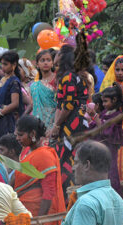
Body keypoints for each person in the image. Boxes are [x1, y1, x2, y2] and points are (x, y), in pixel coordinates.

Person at [49, 44, 90, 188]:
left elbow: (68, 105)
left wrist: (56, 125)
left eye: (58, 53)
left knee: (67, 157)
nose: (55, 55)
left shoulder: (68, 77)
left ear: (62, 57)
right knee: (71, 156)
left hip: (72, 122)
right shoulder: (74, 75)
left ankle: (71, 193)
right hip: (76, 120)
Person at [14, 116, 66, 218]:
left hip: (40, 216)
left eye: (20, 135)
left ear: (32, 134)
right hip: (24, 212)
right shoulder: (26, 151)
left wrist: (38, 222)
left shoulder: (45, 156)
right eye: (16, 135)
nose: (17, 138)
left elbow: (49, 192)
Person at [100, 56, 123, 185]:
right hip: (115, 122)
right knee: (115, 154)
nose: (120, 72)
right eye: (117, 69)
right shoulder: (109, 84)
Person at [89, 85, 123, 194]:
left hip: (110, 147)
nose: (104, 104)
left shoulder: (118, 114)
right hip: (101, 146)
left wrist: (95, 117)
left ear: (114, 100)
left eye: (105, 101)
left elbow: (105, 128)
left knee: (111, 170)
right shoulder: (106, 112)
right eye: (102, 101)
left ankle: (114, 193)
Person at [0, 51, 23, 145]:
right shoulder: (2, 79)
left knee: (2, 147)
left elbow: (14, 104)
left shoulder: (14, 82)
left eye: (5, 64)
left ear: (14, 64)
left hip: (4, 119)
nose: (3, 67)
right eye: (2, 64)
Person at [30, 49, 57, 133]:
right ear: (37, 64)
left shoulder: (57, 79)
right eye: (42, 60)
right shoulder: (34, 85)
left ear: (52, 63)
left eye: (48, 60)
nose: (46, 63)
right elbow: (33, 105)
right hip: (38, 122)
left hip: (55, 121)